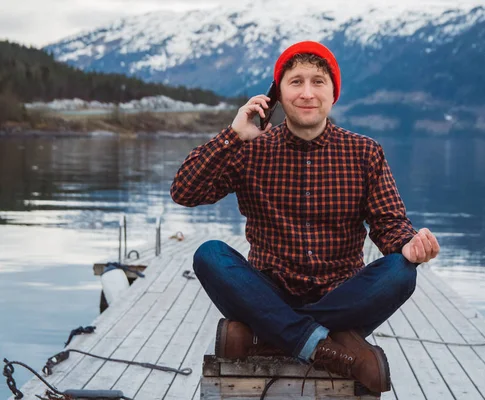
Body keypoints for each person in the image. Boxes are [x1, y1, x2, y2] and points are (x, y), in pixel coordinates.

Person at [170, 41, 440, 394]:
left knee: (401, 272)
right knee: (209, 255)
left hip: (341, 295)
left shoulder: (365, 152)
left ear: (333, 93)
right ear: (276, 95)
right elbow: (184, 192)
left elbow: (389, 224)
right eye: (296, 82)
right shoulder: (250, 149)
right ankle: (328, 344)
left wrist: (410, 244)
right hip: (269, 290)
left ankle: (267, 335)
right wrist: (232, 135)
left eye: (318, 81)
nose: (307, 93)